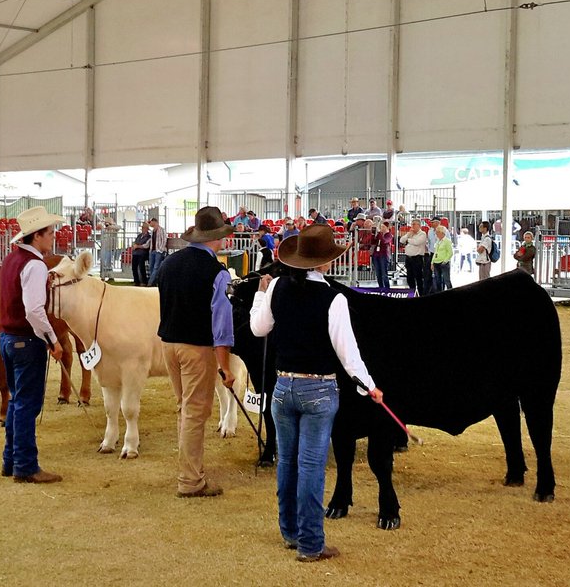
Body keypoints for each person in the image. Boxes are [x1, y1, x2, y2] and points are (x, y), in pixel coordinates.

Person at [248, 223, 383, 562]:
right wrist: (369, 386)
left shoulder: (276, 286)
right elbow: (348, 354)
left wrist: (260, 296)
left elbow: (258, 328)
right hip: (319, 389)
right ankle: (310, 543)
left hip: (283, 386)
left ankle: (291, 532)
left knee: (287, 462)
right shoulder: (333, 298)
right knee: (310, 465)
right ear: (325, 262)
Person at [153, 206, 236, 498]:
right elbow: (222, 324)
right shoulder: (217, 272)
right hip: (196, 348)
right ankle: (190, 480)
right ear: (218, 237)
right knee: (195, 412)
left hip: (169, 344)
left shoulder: (169, 263)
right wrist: (225, 366)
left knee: (185, 407)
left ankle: (189, 470)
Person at [0, 206, 66, 483]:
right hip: (26, 340)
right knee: (27, 404)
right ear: (36, 235)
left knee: (17, 401)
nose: (53, 237)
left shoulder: (11, 259)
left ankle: (11, 460)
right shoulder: (35, 265)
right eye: (49, 232)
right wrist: (52, 339)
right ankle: (25, 466)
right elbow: (34, 310)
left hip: (8, 338)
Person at [400, 219, 429, 295]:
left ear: (419, 225)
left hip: (417, 258)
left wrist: (408, 240)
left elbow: (416, 242)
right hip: (408, 258)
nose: (412, 226)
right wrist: (408, 235)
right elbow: (401, 240)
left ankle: (421, 294)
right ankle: (412, 293)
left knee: (418, 277)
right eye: (412, 224)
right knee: (409, 277)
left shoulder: (422, 234)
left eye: (414, 224)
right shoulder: (410, 234)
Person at [371, 221, 394, 290]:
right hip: (376, 255)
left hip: (384, 255)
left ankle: (387, 288)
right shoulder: (379, 235)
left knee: (384, 274)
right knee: (378, 273)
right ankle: (380, 287)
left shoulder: (389, 235)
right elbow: (373, 242)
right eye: (381, 227)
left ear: (387, 227)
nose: (382, 228)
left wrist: (380, 234)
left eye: (383, 227)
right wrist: (373, 234)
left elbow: (384, 241)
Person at [431, 225, 453, 292]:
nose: (436, 234)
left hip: (444, 263)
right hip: (436, 263)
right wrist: (432, 262)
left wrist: (445, 261)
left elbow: (450, 253)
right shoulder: (437, 241)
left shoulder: (447, 241)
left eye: (437, 232)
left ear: (442, 233)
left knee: (447, 280)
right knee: (438, 280)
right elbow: (435, 252)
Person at [98, 214, 120, 280]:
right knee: (103, 262)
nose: (106, 224)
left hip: (110, 248)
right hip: (104, 247)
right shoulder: (104, 228)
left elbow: (119, 227)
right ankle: (103, 276)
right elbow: (98, 225)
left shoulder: (114, 228)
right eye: (105, 223)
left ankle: (110, 276)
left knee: (109, 262)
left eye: (107, 223)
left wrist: (111, 226)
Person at [147, 218, 167, 285]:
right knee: (151, 267)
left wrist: (160, 250)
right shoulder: (153, 231)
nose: (150, 224)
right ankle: (153, 282)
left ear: (154, 222)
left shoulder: (161, 230)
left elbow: (164, 240)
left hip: (158, 251)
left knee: (156, 267)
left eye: (150, 222)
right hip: (153, 250)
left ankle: (150, 283)